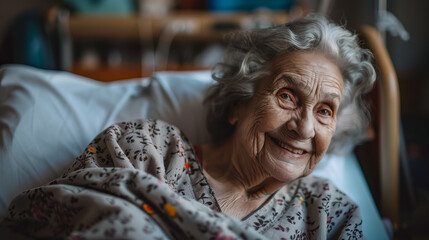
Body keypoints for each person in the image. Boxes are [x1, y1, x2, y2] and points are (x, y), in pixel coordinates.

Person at [3, 15, 375, 239]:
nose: (305, 127)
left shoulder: (328, 213)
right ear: (238, 105)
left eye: (325, 110)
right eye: (288, 97)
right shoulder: (150, 149)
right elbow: (67, 212)